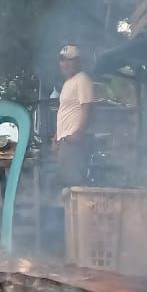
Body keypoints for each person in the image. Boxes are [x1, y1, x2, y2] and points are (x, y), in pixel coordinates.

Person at [53, 44, 96, 191]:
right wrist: (57, 137)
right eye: (62, 60)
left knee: (76, 184)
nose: (65, 64)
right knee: (66, 183)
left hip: (75, 141)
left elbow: (87, 107)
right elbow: (65, 111)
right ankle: (72, 214)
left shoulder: (82, 79)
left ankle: (84, 213)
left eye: (70, 60)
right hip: (66, 140)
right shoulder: (68, 83)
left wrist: (78, 133)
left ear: (78, 62)